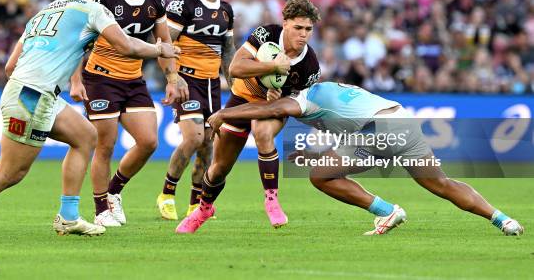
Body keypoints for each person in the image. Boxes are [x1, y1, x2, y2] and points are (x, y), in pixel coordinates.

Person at [0, 0, 180, 241]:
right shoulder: (92, 9)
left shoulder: (41, 14)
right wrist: (161, 48)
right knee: (10, 173)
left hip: (29, 91)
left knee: (85, 136)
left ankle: (69, 217)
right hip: (34, 96)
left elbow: (10, 66)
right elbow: (127, 45)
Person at [199, 81, 524, 236]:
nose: (271, 96)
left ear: (286, 89)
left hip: (376, 131)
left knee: (319, 175)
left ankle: (388, 211)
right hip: (400, 119)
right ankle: (503, 219)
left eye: (274, 89)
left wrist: (221, 114)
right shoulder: (327, 87)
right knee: (440, 183)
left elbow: (271, 110)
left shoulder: (303, 99)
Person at [177, 0, 322, 232]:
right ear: (285, 22)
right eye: (298, 27)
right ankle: (204, 209)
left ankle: (271, 199)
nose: (303, 34)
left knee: (262, 131)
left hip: (272, 109)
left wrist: (280, 100)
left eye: (308, 29)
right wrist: (272, 67)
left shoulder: (310, 66)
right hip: (242, 98)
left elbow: (298, 105)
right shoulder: (266, 35)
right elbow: (235, 68)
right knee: (218, 169)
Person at [69, 0, 188, 227]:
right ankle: (101, 210)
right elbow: (79, 41)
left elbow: (164, 44)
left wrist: (172, 78)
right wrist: (75, 80)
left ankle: (114, 192)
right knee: (105, 146)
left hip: (133, 79)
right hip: (100, 78)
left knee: (149, 141)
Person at [156, 0, 235, 220]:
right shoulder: (182, 5)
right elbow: (164, 45)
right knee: (194, 138)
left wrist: (235, 86)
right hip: (187, 82)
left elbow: (228, 52)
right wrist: (172, 78)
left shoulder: (226, 10)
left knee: (207, 144)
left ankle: (195, 203)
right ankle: (167, 193)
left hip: (212, 84)